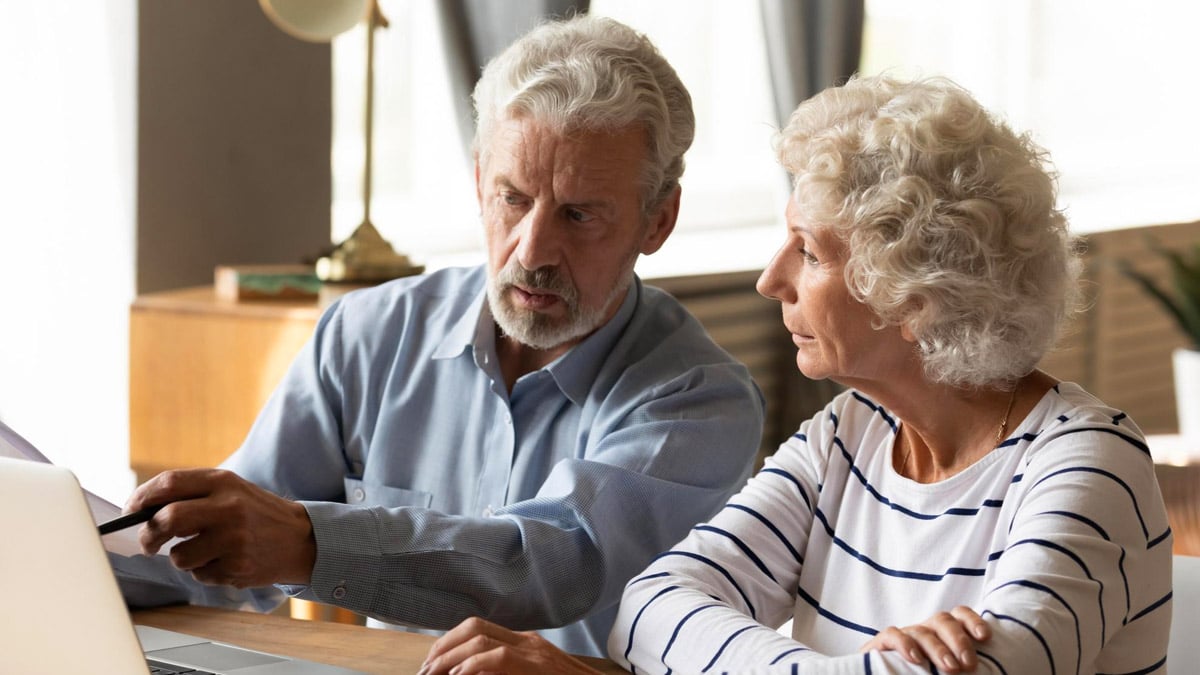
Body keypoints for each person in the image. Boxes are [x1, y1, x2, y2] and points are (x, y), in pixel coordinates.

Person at [416, 74, 1174, 674]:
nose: (770, 280)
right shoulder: (849, 435)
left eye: (808, 252)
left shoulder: (1087, 463)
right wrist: (859, 665)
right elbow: (648, 608)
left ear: (911, 291)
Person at [119, 14, 764, 659]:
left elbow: (549, 562)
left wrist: (306, 539)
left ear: (659, 221)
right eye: (513, 198)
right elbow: (217, 552)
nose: (533, 249)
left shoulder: (699, 400)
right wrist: (67, 547)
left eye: (579, 214)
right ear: (480, 179)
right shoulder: (367, 335)